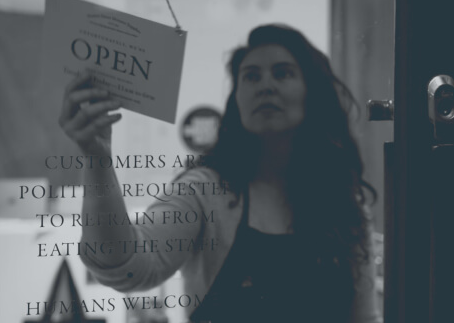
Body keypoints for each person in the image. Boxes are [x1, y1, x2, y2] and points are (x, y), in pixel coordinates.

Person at [59, 24, 382, 322]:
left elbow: (364, 318)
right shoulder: (204, 190)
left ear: (312, 92)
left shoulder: (346, 203)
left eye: (282, 73)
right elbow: (125, 267)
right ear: (236, 98)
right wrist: (97, 158)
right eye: (251, 76)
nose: (265, 85)